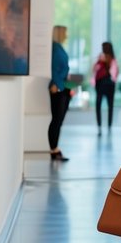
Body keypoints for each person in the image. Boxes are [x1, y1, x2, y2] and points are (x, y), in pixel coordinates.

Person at [48, 25, 71, 162]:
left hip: (62, 86)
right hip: (57, 87)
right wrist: (56, 84)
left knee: (59, 119)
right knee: (56, 120)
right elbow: (53, 68)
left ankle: (55, 148)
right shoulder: (55, 48)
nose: (66, 36)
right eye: (65, 33)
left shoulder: (59, 47)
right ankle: (54, 149)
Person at [92, 41, 119, 134]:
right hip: (109, 84)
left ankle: (101, 126)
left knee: (99, 105)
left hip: (102, 84)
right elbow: (115, 74)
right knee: (109, 106)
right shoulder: (112, 59)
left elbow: (94, 69)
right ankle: (108, 126)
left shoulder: (104, 59)